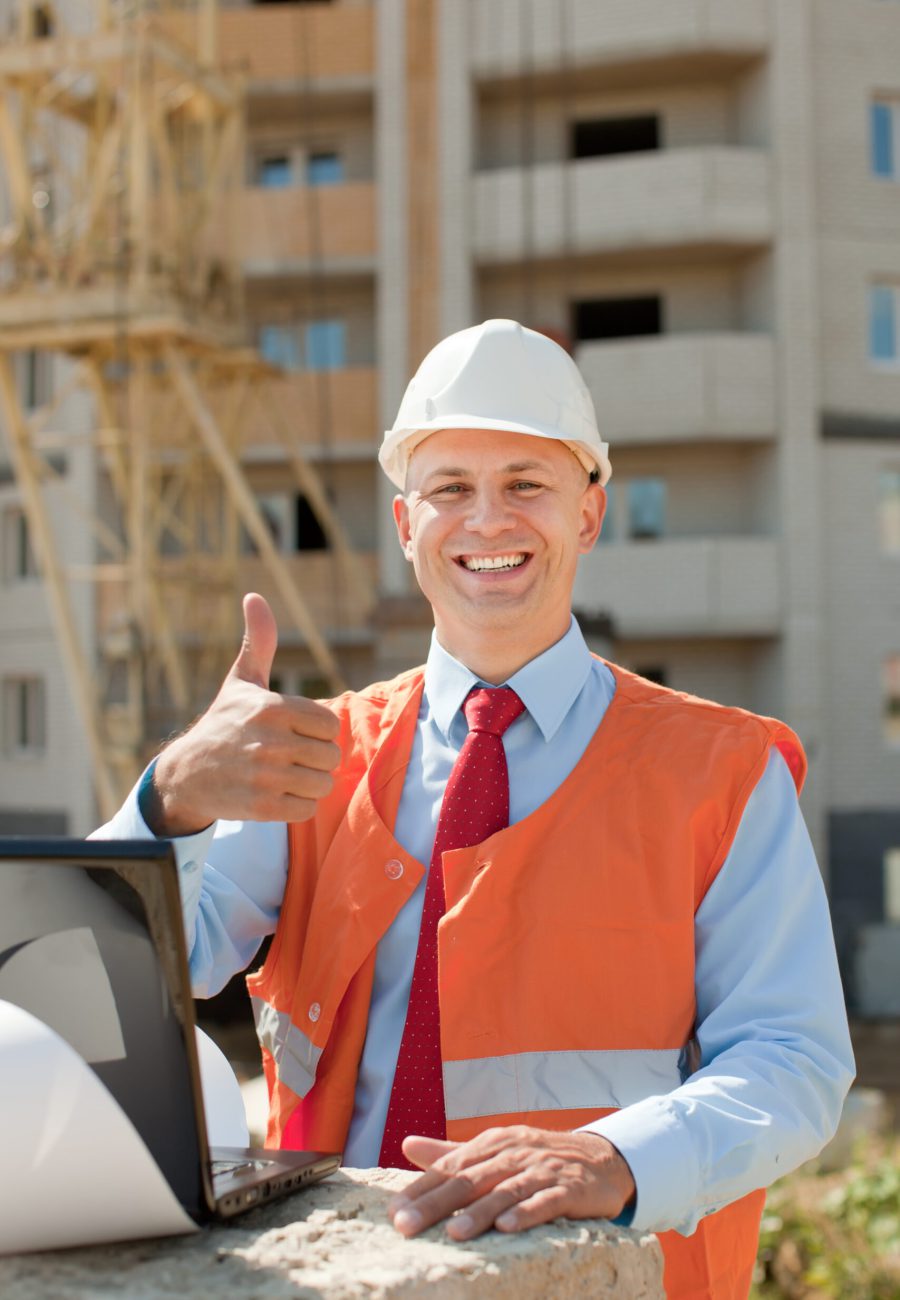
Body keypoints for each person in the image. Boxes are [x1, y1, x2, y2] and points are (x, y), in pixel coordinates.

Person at [95, 319, 854, 1300]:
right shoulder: (311, 761)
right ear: (409, 526)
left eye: (526, 484)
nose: (488, 522)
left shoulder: (721, 770)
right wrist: (171, 797)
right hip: (337, 1274)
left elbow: (795, 1058)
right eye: (450, 487)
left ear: (589, 513)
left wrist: (618, 1158)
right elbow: (121, 983)